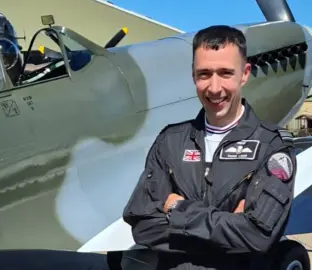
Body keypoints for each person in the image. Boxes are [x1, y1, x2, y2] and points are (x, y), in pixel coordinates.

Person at [122, 25, 297, 270]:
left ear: (244, 74)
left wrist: (177, 208)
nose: (214, 88)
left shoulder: (272, 146)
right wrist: (228, 230)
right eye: (204, 74)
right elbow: (142, 226)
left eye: (225, 73)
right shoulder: (170, 141)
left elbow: (257, 236)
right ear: (193, 75)